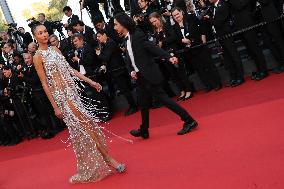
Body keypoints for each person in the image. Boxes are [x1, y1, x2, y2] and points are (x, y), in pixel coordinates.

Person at [31, 23, 125, 183]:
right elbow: (45, 84)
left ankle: (99, 161)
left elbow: (70, 70)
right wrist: (55, 106)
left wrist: (91, 82)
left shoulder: (55, 49)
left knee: (88, 127)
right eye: (40, 33)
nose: (44, 35)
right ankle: (109, 159)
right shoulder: (37, 56)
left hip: (72, 93)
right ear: (35, 37)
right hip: (62, 98)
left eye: (45, 31)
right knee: (87, 128)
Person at [114, 12, 198, 138]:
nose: (114, 27)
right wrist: (132, 70)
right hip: (141, 76)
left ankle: (189, 120)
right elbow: (130, 58)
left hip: (149, 75)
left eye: (116, 24)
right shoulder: (127, 39)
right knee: (143, 103)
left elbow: (152, 48)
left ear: (123, 24)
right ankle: (144, 130)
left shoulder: (137, 35)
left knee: (164, 100)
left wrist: (169, 57)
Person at [96, 30, 138, 116]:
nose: (98, 38)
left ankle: (133, 106)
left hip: (118, 70)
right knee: (124, 89)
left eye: (99, 36)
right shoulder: (105, 44)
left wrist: (99, 54)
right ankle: (133, 105)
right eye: (97, 37)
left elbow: (106, 57)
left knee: (125, 89)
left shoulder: (110, 43)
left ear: (104, 35)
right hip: (115, 70)